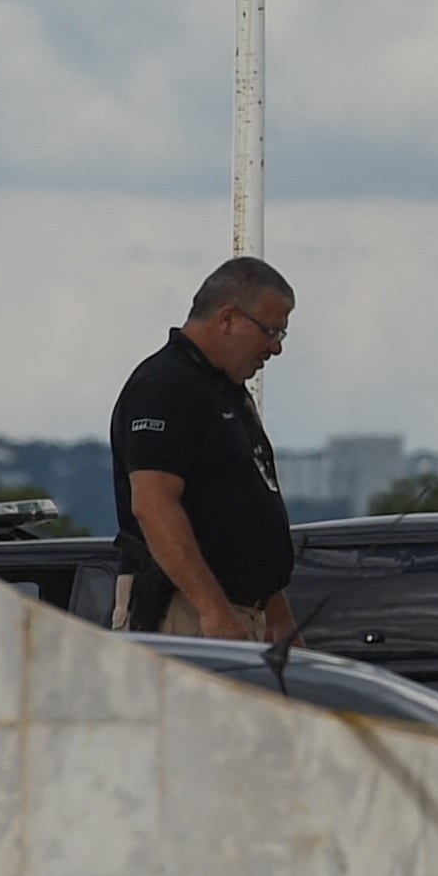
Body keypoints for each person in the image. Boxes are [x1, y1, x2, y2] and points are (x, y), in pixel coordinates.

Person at [112, 256, 301, 644]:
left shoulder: (225, 391)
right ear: (227, 318)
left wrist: (276, 614)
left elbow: (245, 511)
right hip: (185, 614)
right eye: (271, 332)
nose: (276, 349)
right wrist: (212, 609)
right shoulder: (165, 386)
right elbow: (153, 505)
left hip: (236, 614)